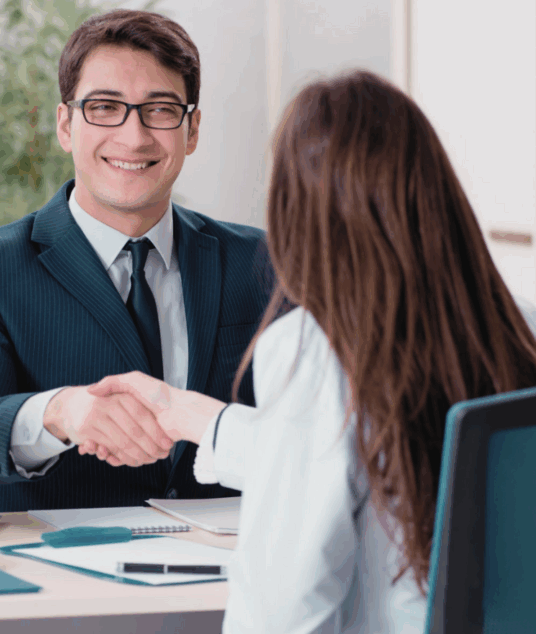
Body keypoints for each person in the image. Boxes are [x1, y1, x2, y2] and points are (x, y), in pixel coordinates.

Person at [84, 70, 536, 633]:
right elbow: (359, 459)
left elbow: (284, 610)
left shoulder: (315, 350)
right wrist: (191, 416)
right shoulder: (515, 323)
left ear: (299, 210)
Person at [0, 9, 273, 513]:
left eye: (159, 109)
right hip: (59, 579)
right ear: (66, 125)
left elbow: (319, 429)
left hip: (230, 574)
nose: (133, 137)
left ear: (191, 131)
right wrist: (59, 413)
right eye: (105, 107)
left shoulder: (265, 263)